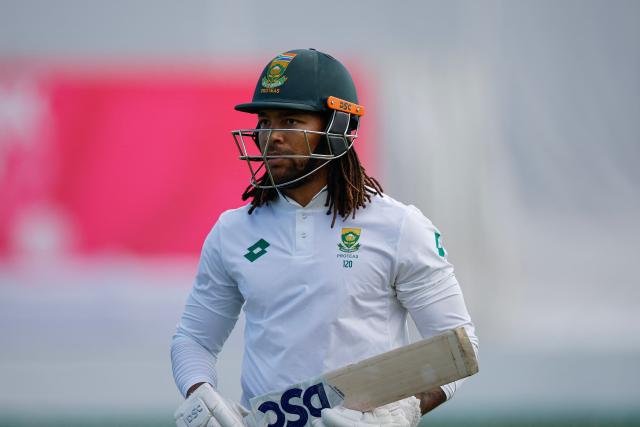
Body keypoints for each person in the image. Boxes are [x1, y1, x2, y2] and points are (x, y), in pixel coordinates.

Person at [171, 48, 478, 427]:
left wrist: (403, 410)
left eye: (290, 120)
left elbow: (457, 347)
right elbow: (194, 340)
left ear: (336, 126)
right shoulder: (232, 232)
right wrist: (200, 394)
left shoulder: (400, 226)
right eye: (265, 121)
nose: (272, 137)